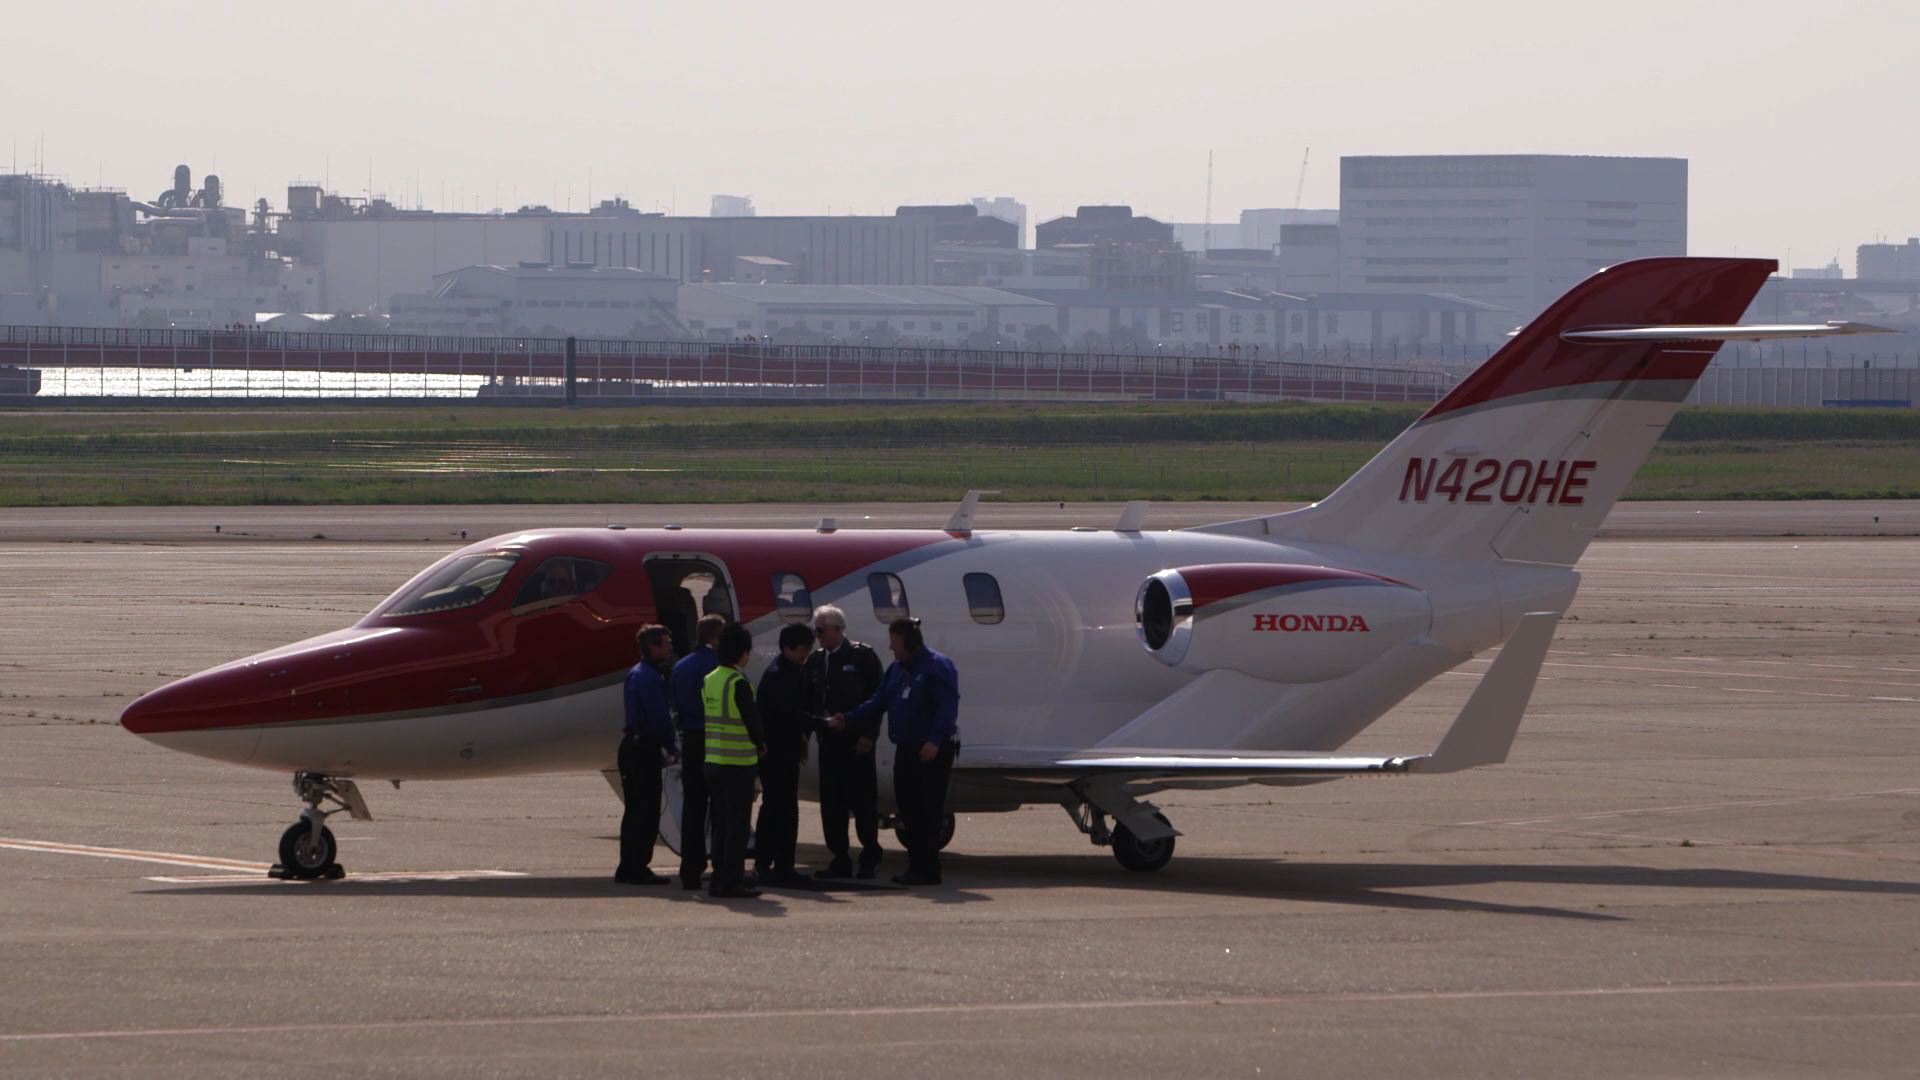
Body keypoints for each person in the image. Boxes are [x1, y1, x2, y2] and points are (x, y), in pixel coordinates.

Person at [832, 617, 959, 887]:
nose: (891, 648)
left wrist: (935, 741)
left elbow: (947, 708)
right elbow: (878, 701)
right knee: (909, 809)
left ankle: (928, 869)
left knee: (928, 810)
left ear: (910, 642)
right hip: (907, 748)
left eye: (894, 642)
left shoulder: (938, 666)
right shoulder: (897, 670)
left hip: (932, 749)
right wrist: (849, 718)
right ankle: (916, 866)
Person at [807, 604, 884, 879]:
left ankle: (870, 855)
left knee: (863, 802)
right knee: (832, 804)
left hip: (856, 744)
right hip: (829, 744)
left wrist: (869, 735)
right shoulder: (816, 661)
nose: (817, 636)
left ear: (838, 629)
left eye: (821, 630)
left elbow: (878, 699)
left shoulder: (862, 657)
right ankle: (839, 857)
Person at [702, 622, 766, 898]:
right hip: (737, 764)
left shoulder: (710, 679)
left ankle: (719, 877)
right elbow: (752, 720)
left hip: (713, 760)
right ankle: (732, 880)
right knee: (737, 826)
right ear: (743, 653)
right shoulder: (738, 682)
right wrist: (761, 745)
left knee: (720, 823)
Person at [753, 622, 816, 885]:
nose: (806, 655)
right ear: (788, 648)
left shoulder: (793, 671)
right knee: (782, 810)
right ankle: (781, 865)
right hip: (777, 753)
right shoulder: (779, 674)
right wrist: (822, 723)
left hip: (785, 750)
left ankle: (769, 862)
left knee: (777, 808)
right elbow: (790, 713)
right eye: (803, 650)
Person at [614, 624, 677, 886]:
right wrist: (672, 747)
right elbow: (658, 719)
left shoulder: (636, 674)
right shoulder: (650, 678)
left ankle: (629, 866)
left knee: (635, 811)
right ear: (652, 647)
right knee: (646, 812)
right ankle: (637, 867)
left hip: (634, 746)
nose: (670, 646)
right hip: (643, 749)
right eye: (665, 642)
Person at [671, 613, 727, 890]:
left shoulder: (681, 666)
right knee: (720, 807)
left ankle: (690, 869)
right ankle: (722, 865)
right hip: (715, 740)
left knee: (693, 808)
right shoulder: (718, 666)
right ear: (714, 638)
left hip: (691, 739)